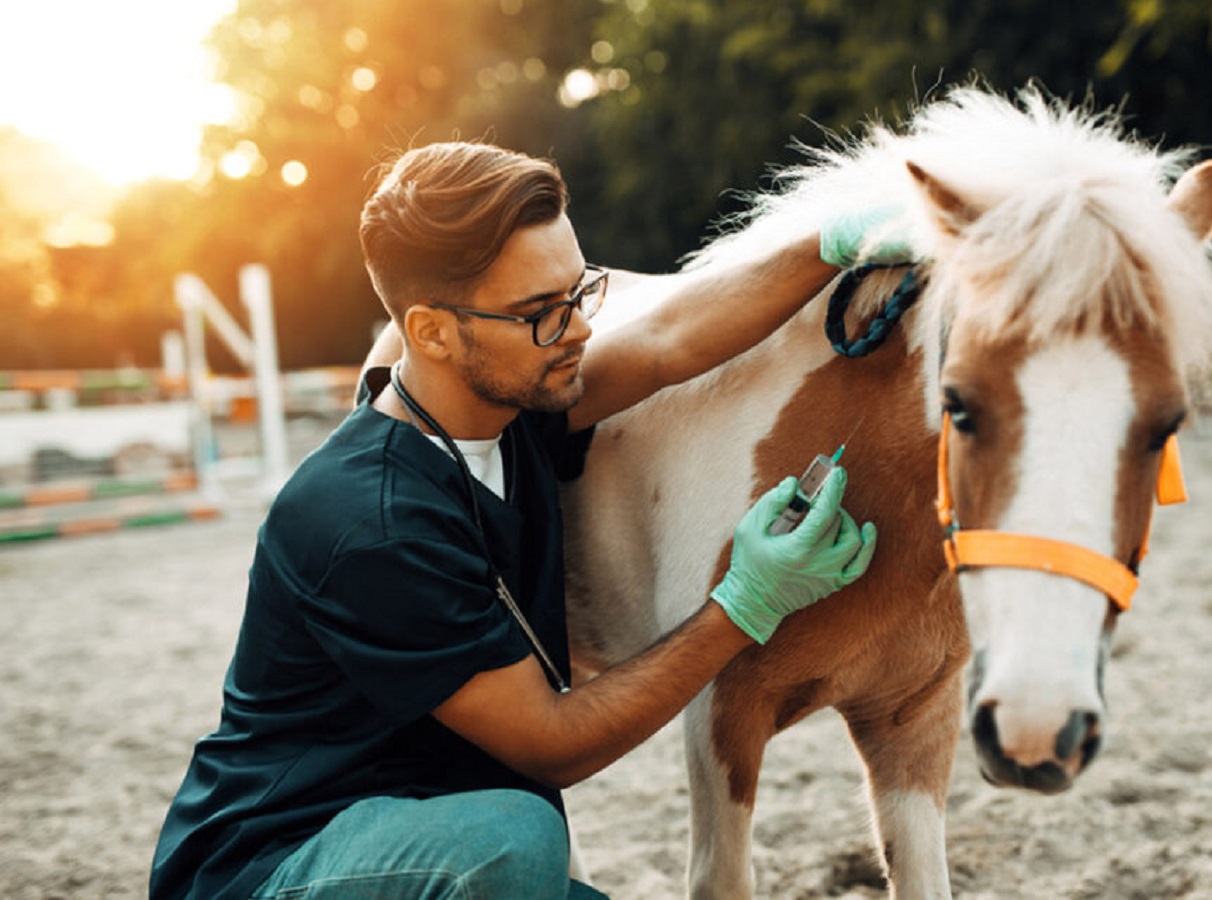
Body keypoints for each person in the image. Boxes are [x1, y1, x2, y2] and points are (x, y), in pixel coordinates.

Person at [150, 140, 889, 900]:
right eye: (540, 313)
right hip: (281, 866)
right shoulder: (370, 523)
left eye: (578, 293)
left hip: (426, 839)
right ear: (430, 332)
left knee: (513, 849)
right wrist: (746, 601)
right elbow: (551, 745)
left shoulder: (511, 406)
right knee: (516, 839)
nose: (577, 331)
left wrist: (828, 246)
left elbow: (670, 344)